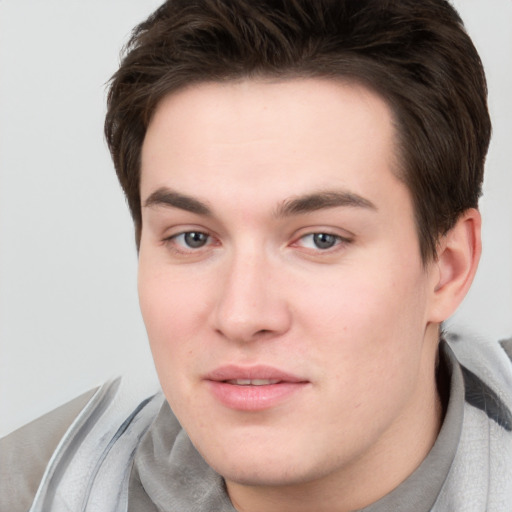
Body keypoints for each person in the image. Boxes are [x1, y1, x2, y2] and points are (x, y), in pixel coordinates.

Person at [1, 0, 511, 511]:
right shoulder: (26, 493)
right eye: (193, 238)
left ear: (448, 269)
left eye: (321, 240)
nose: (242, 315)